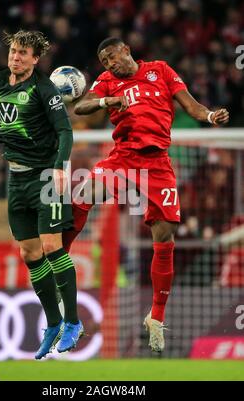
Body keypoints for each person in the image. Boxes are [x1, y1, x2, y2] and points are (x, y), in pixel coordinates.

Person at [62, 37, 229, 352]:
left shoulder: (160, 71)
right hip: (123, 157)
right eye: (105, 62)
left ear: (126, 50)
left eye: (112, 57)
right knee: (85, 193)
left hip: (158, 165)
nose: (110, 65)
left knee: (165, 237)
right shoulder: (108, 81)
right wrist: (105, 102)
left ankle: (156, 316)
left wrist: (209, 117)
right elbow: (81, 106)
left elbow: (191, 106)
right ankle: (60, 258)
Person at [0, 30, 83, 359]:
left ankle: (73, 321)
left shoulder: (44, 89)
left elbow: (64, 130)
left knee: (50, 246)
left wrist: (61, 167)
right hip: (16, 179)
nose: (16, 57)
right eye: (14, 51)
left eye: (23, 53)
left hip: (46, 176)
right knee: (30, 254)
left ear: (35, 59)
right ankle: (53, 322)